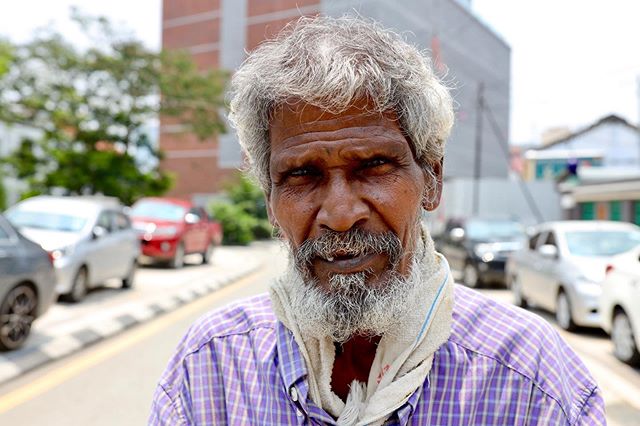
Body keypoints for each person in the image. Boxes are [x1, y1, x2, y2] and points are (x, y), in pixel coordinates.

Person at [149, 16, 605, 425]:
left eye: (373, 166)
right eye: (302, 175)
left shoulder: (527, 378)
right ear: (270, 201)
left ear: (431, 179)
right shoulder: (212, 365)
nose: (341, 215)